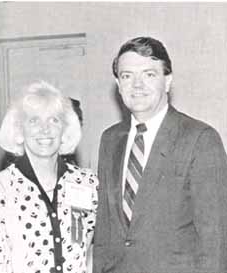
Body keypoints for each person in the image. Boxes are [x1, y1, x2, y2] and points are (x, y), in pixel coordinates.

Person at [93, 36, 227, 273]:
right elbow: (104, 231)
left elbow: (215, 238)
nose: (137, 85)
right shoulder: (109, 139)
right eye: (127, 76)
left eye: (149, 74)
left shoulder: (200, 139)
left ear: (167, 81)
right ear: (118, 84)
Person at [0, 81, 99, 273]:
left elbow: (89, 252)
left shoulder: (87, 183)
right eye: (33, 120)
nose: (45, 129)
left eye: (54, 120)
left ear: (65, 131)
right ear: (19, 131)